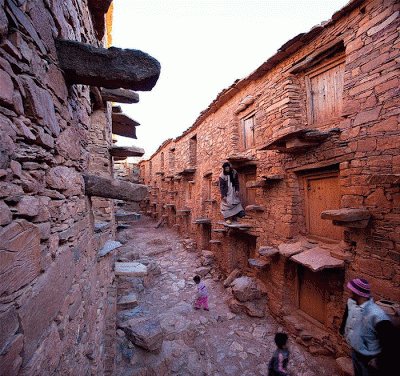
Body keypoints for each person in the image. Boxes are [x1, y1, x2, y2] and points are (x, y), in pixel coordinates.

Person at [339, 278, 395, 376]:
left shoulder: (377, 316)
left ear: (358, 293)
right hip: (356, 351)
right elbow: (347, 316)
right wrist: (343, 330)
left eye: (352, 291)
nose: (350, 293)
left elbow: (390, 343)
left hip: (369, 358)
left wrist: (379, 361)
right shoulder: (351, 303)